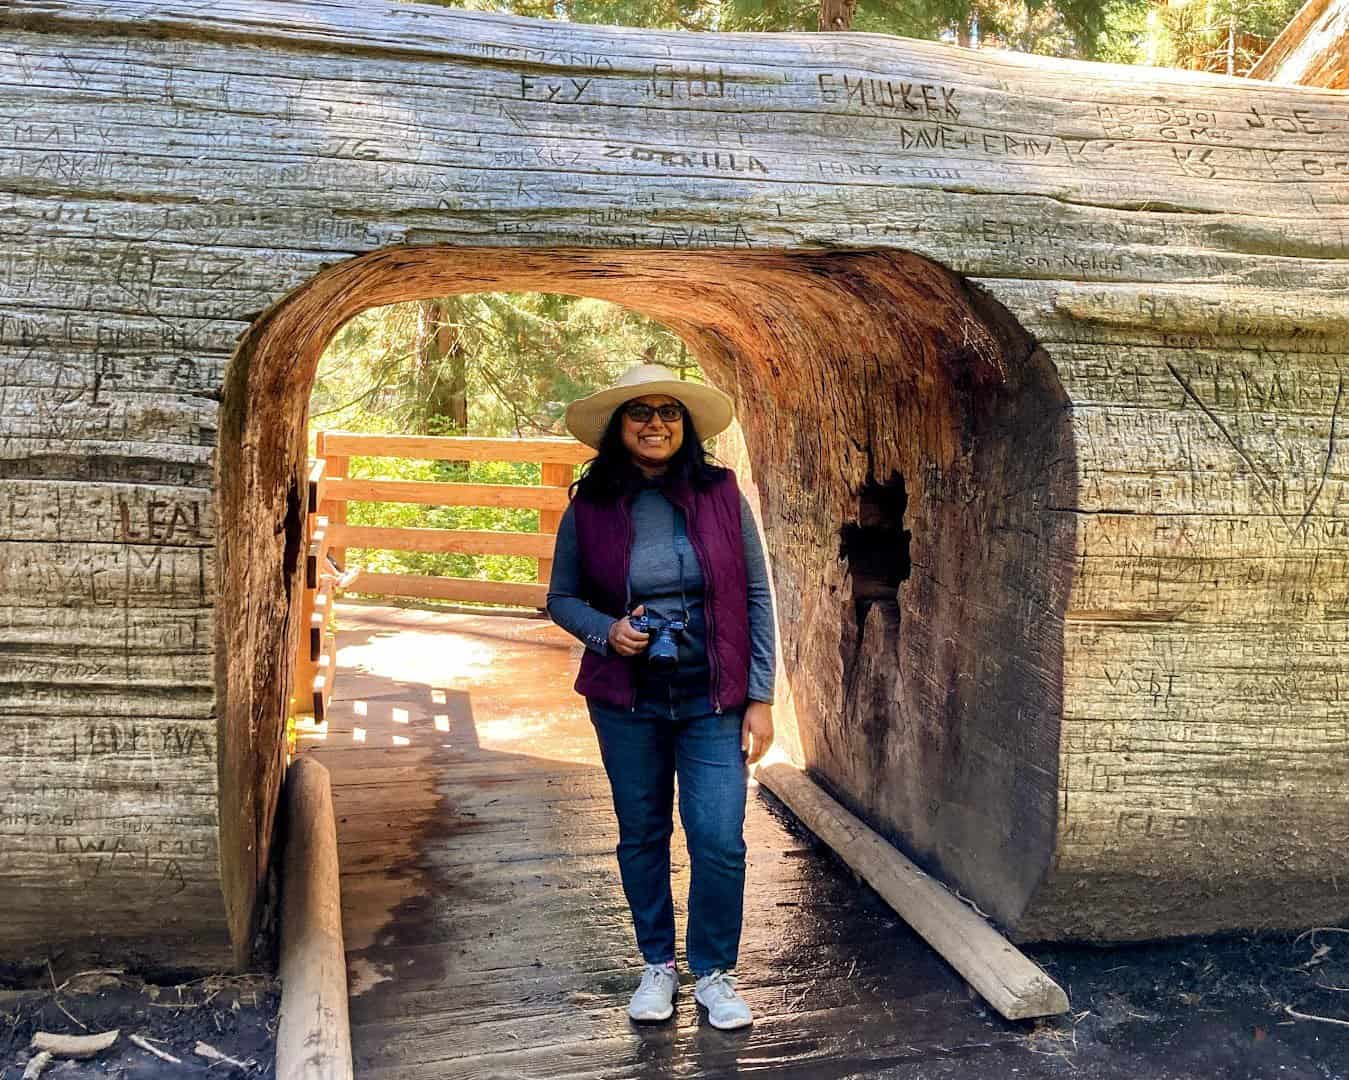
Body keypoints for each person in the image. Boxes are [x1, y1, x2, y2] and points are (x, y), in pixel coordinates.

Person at [546, 363, 776, 1031]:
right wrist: (605, 630)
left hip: (712, 698)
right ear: (620, 428)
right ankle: (656, 967)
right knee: (642, 835)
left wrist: (759, 696)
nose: (654, 423)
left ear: (685, 427)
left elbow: (756, 596)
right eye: (639, 413)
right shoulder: (589, 507)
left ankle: (713, 972)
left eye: (667, 412)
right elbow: (560, 598)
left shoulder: (722, 494)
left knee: (718, 838)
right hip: (627, 701)